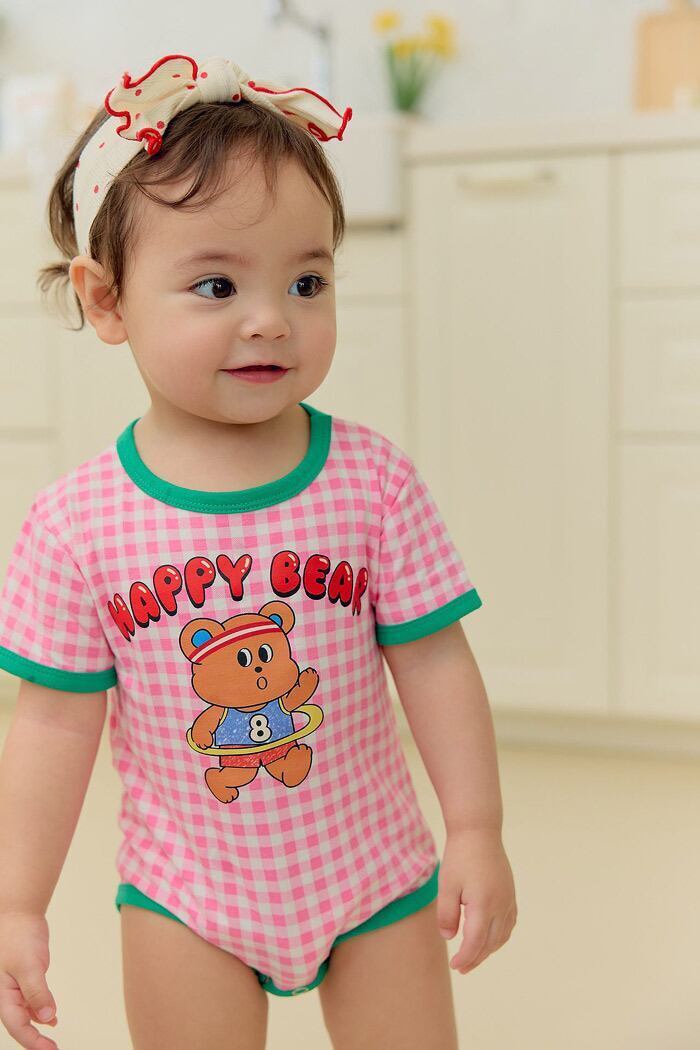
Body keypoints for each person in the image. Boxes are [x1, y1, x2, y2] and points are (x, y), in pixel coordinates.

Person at [0, 52, 516, 1050]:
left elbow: (435, 662)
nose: (272, 319)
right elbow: (53, 726)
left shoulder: (371, 482)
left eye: (307, 280)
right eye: (216, 284)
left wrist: (476, 829)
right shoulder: (75, 524)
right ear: (107, 302)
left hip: (373, 873)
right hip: (185, 894)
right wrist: (17, 901)